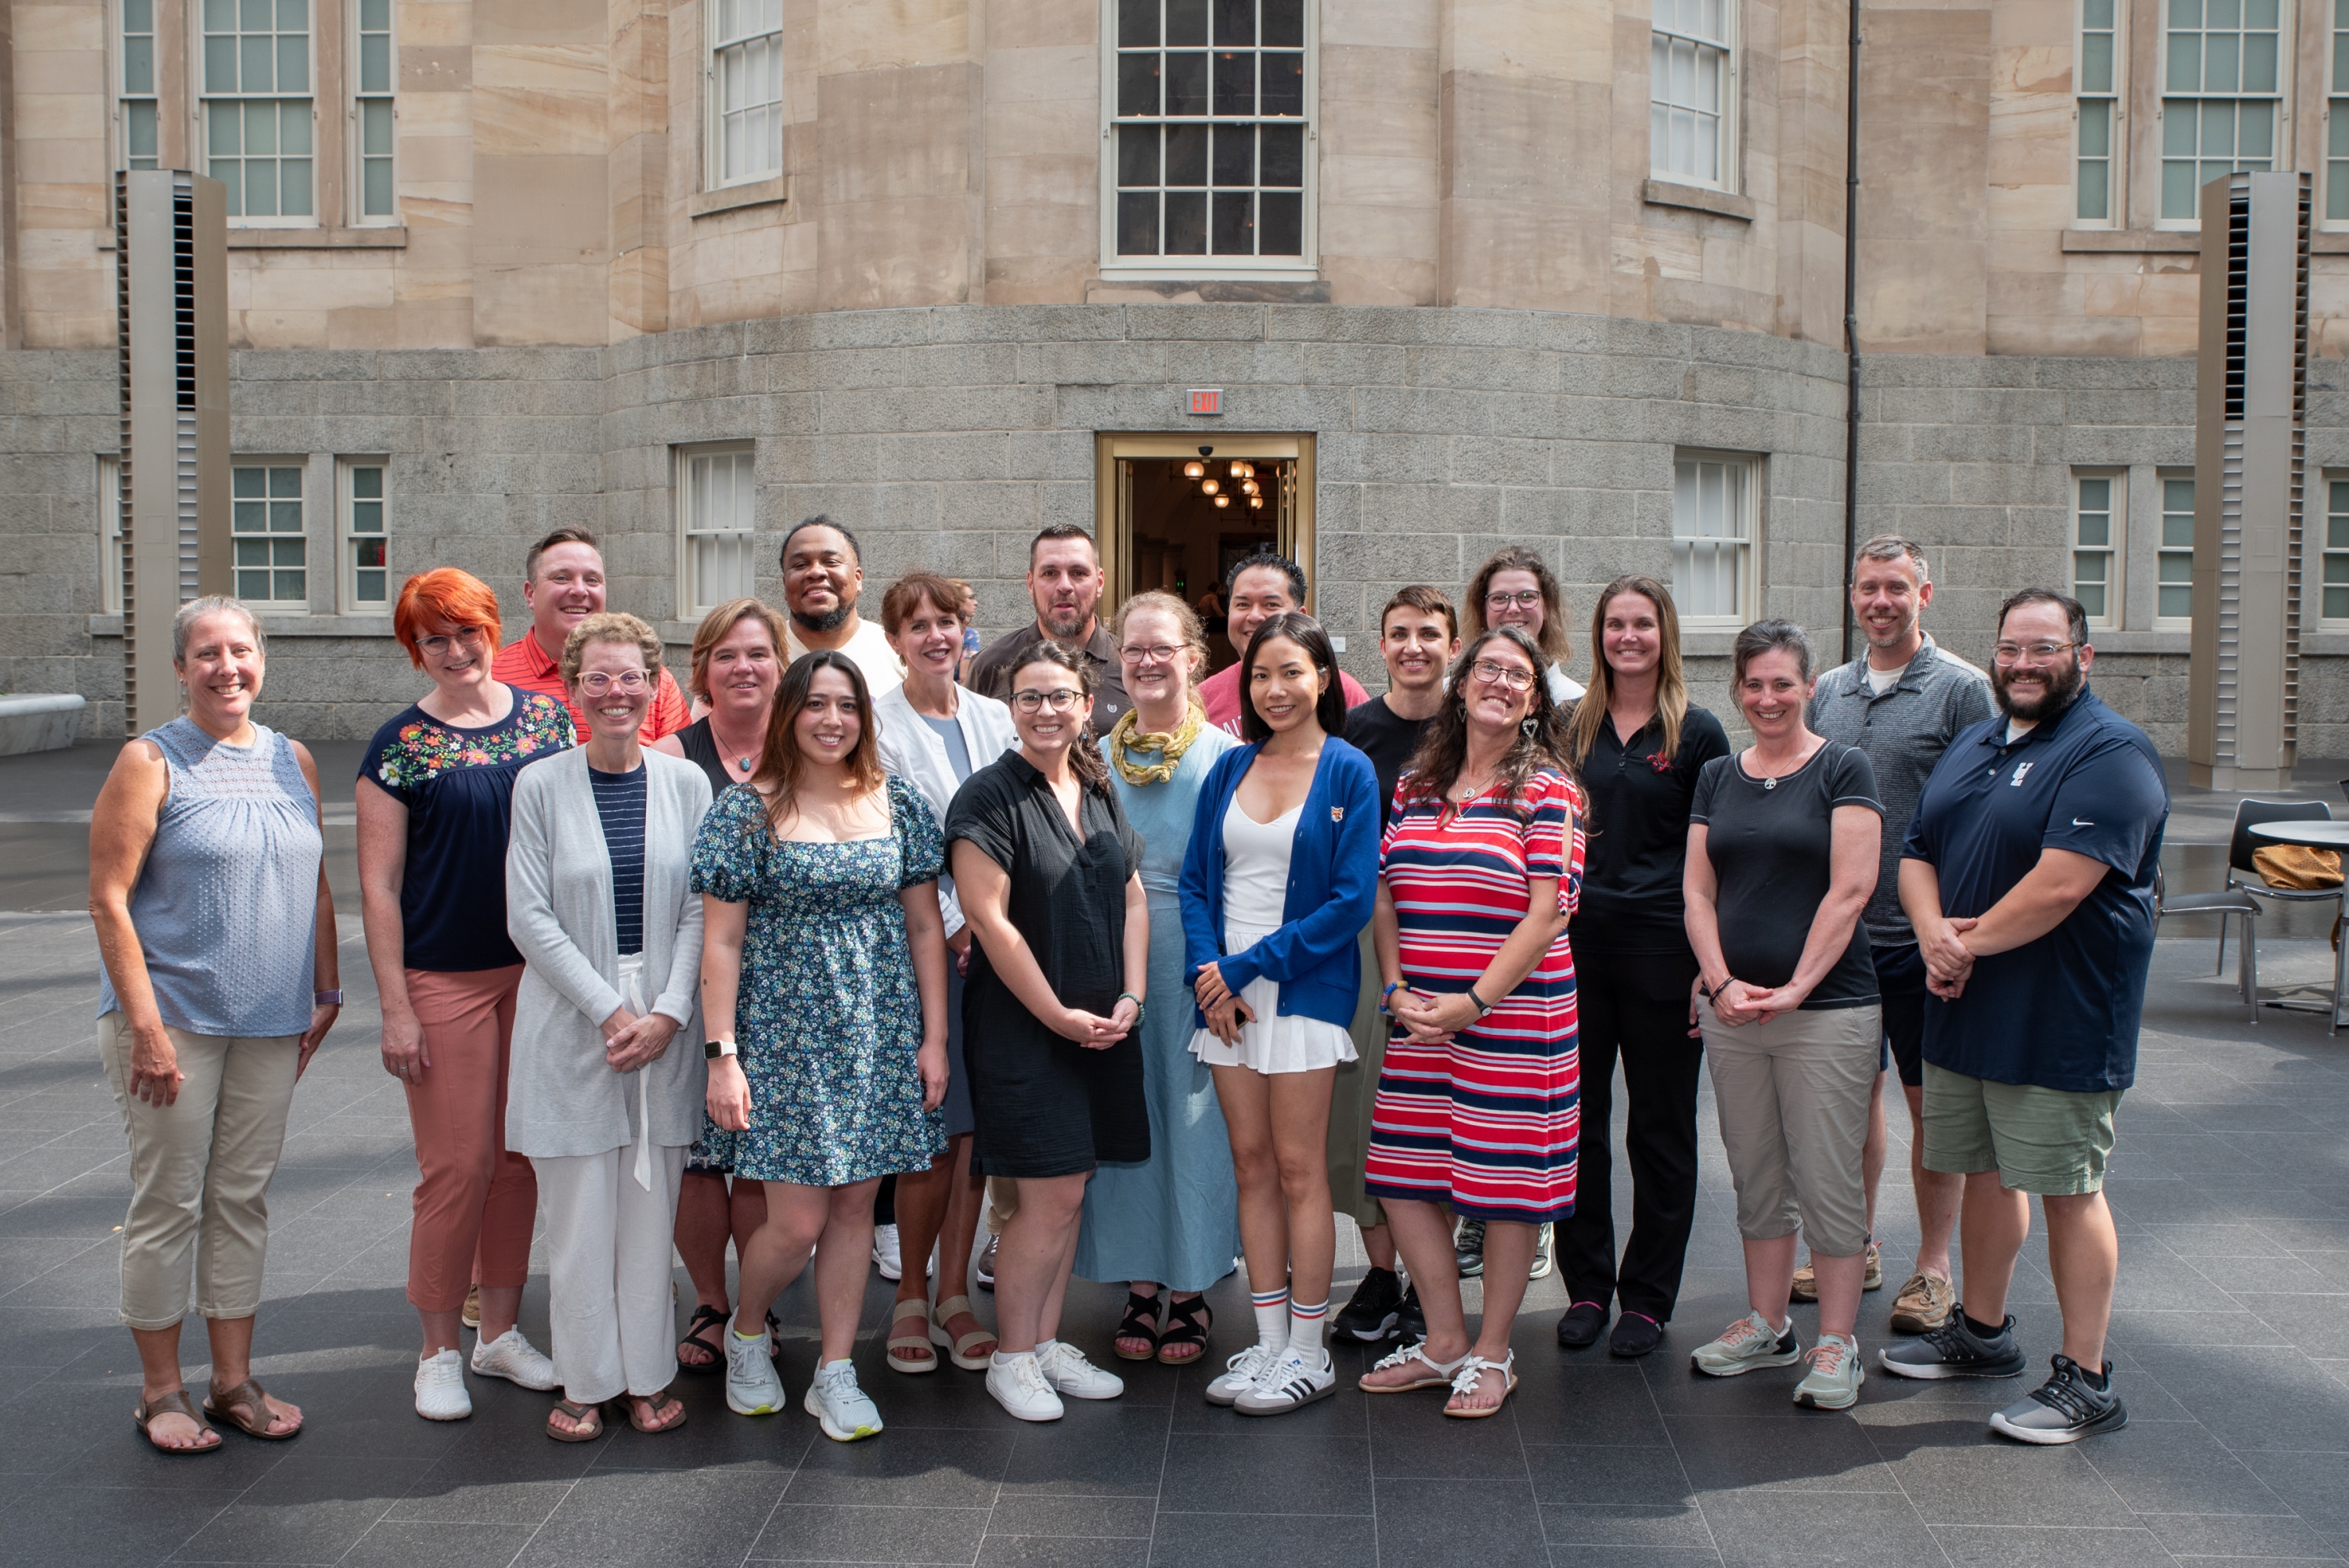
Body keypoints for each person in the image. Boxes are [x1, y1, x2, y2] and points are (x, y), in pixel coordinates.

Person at [1882, 589, 2167, 1446]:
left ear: (2084, 655)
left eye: (2045, 647)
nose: (2024, 662)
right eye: (2011, 647)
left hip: (2060, 1013)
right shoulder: (1976, 738)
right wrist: (1932, 932)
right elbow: (1919, 850)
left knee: (2068, 1190)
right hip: (1969, 1008)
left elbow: (2060, 883)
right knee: (1983, 1173)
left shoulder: (2111, 752)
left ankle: (2088, 1376)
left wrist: (1962, 948)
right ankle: (1982, 1328)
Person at [89, 597, 340, 1453]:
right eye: (207, 653)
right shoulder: (148, 759)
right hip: (174, 1023)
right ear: (180, 666)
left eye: (240, 649)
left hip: (270, 1021)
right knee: (169, 1199)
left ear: (262, 658)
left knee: (240, 1197)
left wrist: (329, 988)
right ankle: (162, 1390)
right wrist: (146, 1026)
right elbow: (109, 898)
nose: (226, 666)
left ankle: (233, 1380)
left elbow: (314, 880)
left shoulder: (291, 759)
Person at [693, 651, 951, 1441]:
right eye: (815, 705)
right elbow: (722, 943)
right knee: (797, 1220)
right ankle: (746, 1327)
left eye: (846, 705)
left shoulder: (895, 800)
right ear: (789, 714)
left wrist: (935, 1037)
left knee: (850, 1207)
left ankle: (835, 1368)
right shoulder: (745, 811)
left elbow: (923, 926)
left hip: (877, 1030)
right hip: (780, 1036)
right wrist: (722, 1054)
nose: (832, 719)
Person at [359, 568, 571, 1421]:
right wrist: (397, 1006)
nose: (453, 651)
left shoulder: (549, 722)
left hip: (539, 972)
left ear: (493, 630)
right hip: (444, 976)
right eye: (432, 639)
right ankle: (438, 1348)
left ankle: (501, 1334)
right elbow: (378, 886)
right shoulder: (401, 744)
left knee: (518, 1158)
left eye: (465, 632)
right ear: (416, 651)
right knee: (458, 1167)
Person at [1358, 625, 1582, 1419]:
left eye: (1518, 674)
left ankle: (1493, 1352)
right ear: (1461, 683)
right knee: (1404, 1175)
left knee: (1509, 1187)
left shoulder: (1552, 789)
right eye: (1487, 666)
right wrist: (1393, 987)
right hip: (1420, 1017)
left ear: (1532, 699)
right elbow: (1383, 889)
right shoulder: (1419, 782)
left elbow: (1548, 913)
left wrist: (1474, 1002)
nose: (1500, 680)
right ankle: (1444, 1336)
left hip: (1514, 1019)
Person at [505, 612, 712, 1441]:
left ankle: (648, 1375)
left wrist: (667, 1010)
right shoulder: (539, 784)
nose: (617, 692)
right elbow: (527, 913)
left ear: (655, 685)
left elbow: (704, 906)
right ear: (574, 685)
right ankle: (587, 1379)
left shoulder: (688, 784)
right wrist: (609, 1007)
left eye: (632, 677)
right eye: (599, 677)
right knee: (581, 1210)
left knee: (649, 1207)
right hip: (571, 1018)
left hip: (666, 1015)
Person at [1179, 611, 1380, 1415]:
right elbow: (1197, 880)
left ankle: (1309, 1349)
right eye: (1261, 674)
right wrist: (1208, 976)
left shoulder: (1349, 769)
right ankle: (1265, 1343)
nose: (1275, 689)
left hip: (1299, 991)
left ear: (1323, 677)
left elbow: (1350, 901)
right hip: (1225, 998)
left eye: (1292, 671)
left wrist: (1240, 970)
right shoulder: (1229, 766)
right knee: (1251, 1166)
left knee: (1300, 1171)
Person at [946, 643, 1149, 1422]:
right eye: (1029, 698)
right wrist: (1058, 1015)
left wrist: (1131, 992)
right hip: (1025, 1031)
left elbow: (1132, 896)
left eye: (1059, 696)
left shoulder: (1096, 784)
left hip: (1101, 1024)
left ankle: (1046, 1340)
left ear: (1083, 700)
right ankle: (1013, 1355)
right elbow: (989, 922)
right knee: (1048, 1196)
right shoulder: (986, 797)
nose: (1045, 711)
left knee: (1073, 1191)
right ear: (1008, 707)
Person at [1683, 619, 1882, 1412]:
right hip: (1735, 1011)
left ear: (1809, 687)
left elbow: (1852, 888)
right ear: (1738, 689)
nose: (1768, 698)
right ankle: (1769, 1323)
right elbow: (1698, 891)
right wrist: (1719, 980)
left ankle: (1838, 1339)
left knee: (1828, 1176)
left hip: (1826, 1010)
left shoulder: (1843, 767)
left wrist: (1796, 985)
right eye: (1754, 684)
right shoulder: (1717, 775)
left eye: (1783, 683)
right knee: (1757, 1171)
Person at [1802, 537, 1991, 1335]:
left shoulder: (1963, 692)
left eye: (1896, 588)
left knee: (1931, 1104)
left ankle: (1934, 1266)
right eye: (1869, 588)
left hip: (1922, 938)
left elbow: (1984, 815)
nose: (1881, 601)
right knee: (1851, 1103)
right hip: (1843, 937)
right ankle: (1859, 1242)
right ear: (1852, 595)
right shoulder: (1829, 691)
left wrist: (1963, 928)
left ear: (1926, 594)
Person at [1552, 575, 1731, 1357]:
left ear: (1666, 634)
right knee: (1577, 1126)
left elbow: (1717, 857)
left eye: (1643, 623)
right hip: (1576, 952)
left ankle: (1648, 1297)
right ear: (1598, 634)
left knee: (1660, 1132)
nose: (1628, 636)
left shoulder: (1698, 733)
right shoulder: (1568, 725)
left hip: (1664, 952)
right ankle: (1587, 1286)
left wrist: (1708, 961)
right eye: (1616, 624)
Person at [1077, 592, 1242, 1368]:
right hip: (1113, 957)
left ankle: (1192, 1287)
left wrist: (1223, 969)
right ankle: (1140, 1283)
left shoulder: (1223, 756)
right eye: (1133, 648)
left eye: (1162, 648)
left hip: (1195, 959)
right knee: (1127, 1118)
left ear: (1192, 659)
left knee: (1191, 1120)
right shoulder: (1094, 758)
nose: (1146, 660)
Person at [871, 572, 1017, 1375]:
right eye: (917, 623)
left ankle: (957, 1293)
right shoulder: (878, 725)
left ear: (968, 630)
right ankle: (911, 1297)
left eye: (949, 621)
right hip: (930, 951)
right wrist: (961, 925)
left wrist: (996, 926)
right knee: (931, 1132)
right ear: (894, 638)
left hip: (1000, 950)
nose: (935, 635)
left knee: (976, 1137)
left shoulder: (997, 715)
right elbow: (897, 837)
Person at [650, 598, 789, 1372]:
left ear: (781, 664)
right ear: (701, 668)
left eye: (758, 653)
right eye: (726, 654)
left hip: (782, 986)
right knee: (698, 1155)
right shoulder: (670, 757)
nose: (743, 667)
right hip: (694, 977)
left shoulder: (807, 749)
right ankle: (710, 1296)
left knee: (761, 1152)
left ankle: (757, 1306)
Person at [1328, 586, 1458, 1349]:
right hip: (1367, 950)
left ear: (1452, 643)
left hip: (1453, 946)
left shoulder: (1474, 729)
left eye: (1429, 634)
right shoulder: (1352, 733)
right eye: (1399, 633)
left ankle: (1425, 1280)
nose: (1414, 646)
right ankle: (1384, 1276)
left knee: (1434, 1124)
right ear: (1381, 646)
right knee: (1369, 1117)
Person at [491, 526, 690, 742]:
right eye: (561, 578)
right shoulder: (493, 677)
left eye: (592, 580)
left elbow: (678, 767)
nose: (579, 590)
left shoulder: (650, 679)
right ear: (531, 594)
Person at [966, 524, 1131, 736]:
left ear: (1099, 582)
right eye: (1050, 573)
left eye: (1078, 573)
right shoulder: (990, 666)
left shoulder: (1129, 666)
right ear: (1030, 583)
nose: (1064, 586)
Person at [1195, 553, 1369, 734]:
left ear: (1300, 615)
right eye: (1242, 605)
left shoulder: (1342, 690)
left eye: (1270, 604)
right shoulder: (1203, 700)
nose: (1255, 616)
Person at [777, 516, 905, 696]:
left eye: (831, 561)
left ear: (858, 578)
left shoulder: (897, 650)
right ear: (784, 584)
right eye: (800, 564)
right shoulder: (762, 654)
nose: (815, 572)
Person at [1463, 546, 1586, 705]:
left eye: (1527, 596)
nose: (1513, 608)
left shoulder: (1577, 702)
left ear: (1547, 607)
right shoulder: (1452, 695)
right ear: (1483, 609)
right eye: (1500, 598)